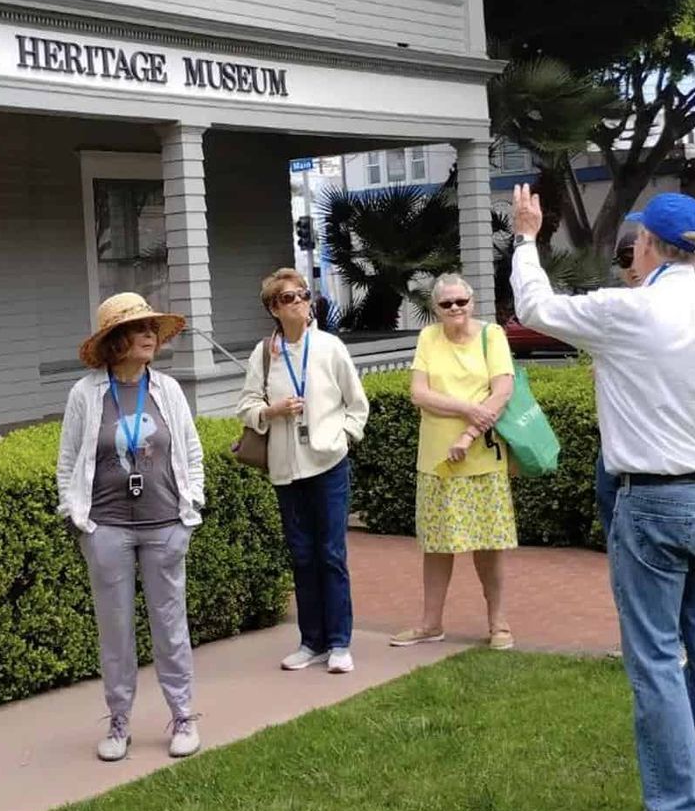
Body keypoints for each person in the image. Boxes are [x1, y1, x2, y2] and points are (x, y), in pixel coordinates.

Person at [511, 187, 695, 811]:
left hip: (655, 500)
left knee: (657, 659)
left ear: (646, 245)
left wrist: (527, 237)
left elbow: (536, 307)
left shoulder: (633, 309)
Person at [57, 292, 205, 763]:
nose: (149, 336)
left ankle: (183, 716)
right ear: (116, 340)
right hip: (108, 530)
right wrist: (80, 520)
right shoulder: (85, 394)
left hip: (165, 526)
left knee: (170, 626)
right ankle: (119, 721)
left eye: (152, 329)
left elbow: (192, 452)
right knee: (115, 631)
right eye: (139, 329)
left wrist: (191, 507)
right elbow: (67, 462)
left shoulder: (168, 390)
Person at [237, 268, 369, 673]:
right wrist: (271, 412)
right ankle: (311, 642)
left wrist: (343, 437)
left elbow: (357, 404)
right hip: (285, 468)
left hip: (328, 462)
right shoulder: (264, 355)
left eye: (303, 295)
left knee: (331, 554)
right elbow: (245, 406)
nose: (299, 303)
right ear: (273, 309)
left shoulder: (330, 347)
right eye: (288, 298)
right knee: (302, 554)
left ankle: (339, 643)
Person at [390, 274, 518, 651]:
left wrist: (467, 433)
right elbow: (418, 393)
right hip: (436, 458)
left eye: (461, 301)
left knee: (489, 544)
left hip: (482, 455)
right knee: (436, 544)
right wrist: (467, 408)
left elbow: (503, 390)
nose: (455, 309)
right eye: (446, 304)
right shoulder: (428, 338)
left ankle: (499, 623)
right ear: (436, 309)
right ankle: (430, 623)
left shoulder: (491, 335)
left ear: (472, 302)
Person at [595, 217, 644, 538]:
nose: (632, 267)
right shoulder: (615, 309)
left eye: (636, 255)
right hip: (617, 439)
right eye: (624, 259)